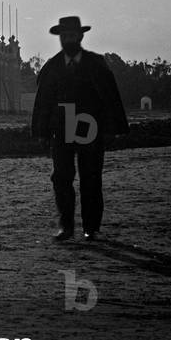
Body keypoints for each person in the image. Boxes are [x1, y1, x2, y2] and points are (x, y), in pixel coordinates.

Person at [30, 16, 129, 242]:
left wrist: (111, 129)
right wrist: (42, 132)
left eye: (72, 35)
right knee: (61, 178)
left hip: (89, 128)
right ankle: (66, 227)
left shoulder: (96, 65)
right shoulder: (52, 67)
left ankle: (91, 228)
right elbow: (43, 101)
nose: (68, 39)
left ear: (81, 36)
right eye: (65, 36)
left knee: (91, 177)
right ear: (60, 38)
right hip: (62, 128)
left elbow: (110, 98)